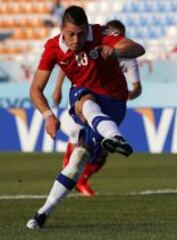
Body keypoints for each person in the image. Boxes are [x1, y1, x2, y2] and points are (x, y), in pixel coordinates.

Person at [26, 5, 145, 229]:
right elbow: (35, 89)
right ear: (62, 29)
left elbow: (138, 48)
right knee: (78, 156)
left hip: (114, 103)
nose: (76, 39)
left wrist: (117, 50)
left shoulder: (101, 34)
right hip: (91, 105)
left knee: (82, 97)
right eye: (71, 33)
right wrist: (48, 116)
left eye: (81, 34)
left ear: (87, 29)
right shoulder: (53, 47)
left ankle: (113, 136)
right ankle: (42, 213)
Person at [52, 19, 142, 197]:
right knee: (81, 142)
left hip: (108, 105)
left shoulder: (128, 59)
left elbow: (137, 87)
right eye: (111, 34)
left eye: (118, 36)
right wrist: (57, 88)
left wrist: (127, 95)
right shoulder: (92, 47)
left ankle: (81, 179)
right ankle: (70, 174)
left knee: (101, 152)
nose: (113, 39)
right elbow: (66, 62)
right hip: (85, 99)